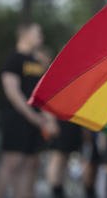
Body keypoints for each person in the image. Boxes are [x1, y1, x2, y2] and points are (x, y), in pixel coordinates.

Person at [0, 22, 59, 198]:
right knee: (12, 163)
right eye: (37, 32)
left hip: (36, 123)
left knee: (31, 165)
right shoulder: (13, 60)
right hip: (17, 120)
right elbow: (13, 93)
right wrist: (34, 118)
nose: (41, 36)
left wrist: (49, 120)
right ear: (25, 35)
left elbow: (42, 94)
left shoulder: (37, 62)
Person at [37, 46, 83, 198]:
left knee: (64, 156)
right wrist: (50, 121)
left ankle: (59, 187)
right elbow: (44, 101)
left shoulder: (65, 73)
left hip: (68, 121)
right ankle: (54, 190)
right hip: (57, 121)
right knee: (57, 157)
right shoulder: (48, 76)